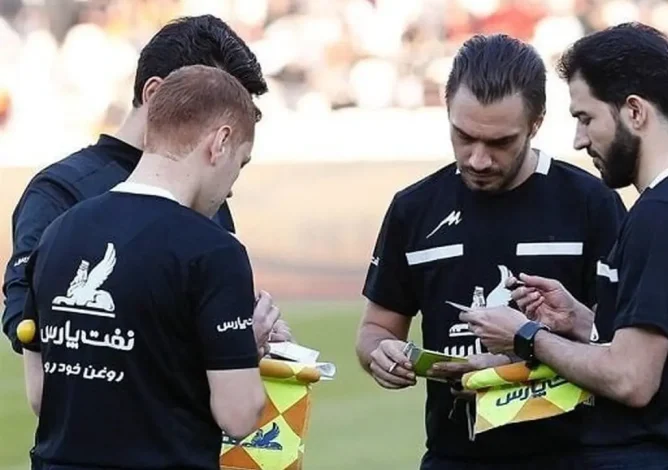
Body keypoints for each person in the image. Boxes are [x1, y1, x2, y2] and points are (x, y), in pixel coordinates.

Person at [460, 23, 668, 469]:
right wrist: (583, 322)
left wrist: (526, 336)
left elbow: (631, 379)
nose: (579, 140)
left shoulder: (662, 216)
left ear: (634, 111)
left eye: (586, 118)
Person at [355, 33, 627, 469]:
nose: (478, 159)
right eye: (463, 136)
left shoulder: (592, 204)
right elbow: (375, 329)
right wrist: (381, 355)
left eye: (500, 142)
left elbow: (620, 347)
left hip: (572, 457)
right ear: (446, 108)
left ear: (536, 123)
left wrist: (514, 359)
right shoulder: (414, 209)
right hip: (453, 458)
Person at [19, 64, 276, 470]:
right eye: (240, 164)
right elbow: (239, 415)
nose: (231, 187)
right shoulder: (214, 250)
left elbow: (41, 396)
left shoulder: (58, 232)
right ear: (220, 142)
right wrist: (242, 349)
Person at [2, 14, 293, 356]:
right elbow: (28, 326)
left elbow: (213, 313)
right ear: (155, 94)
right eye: (219, 105)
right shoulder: (61, 191)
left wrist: (250, 329)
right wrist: (220, 344)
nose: (227, 135)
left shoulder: (208, 192)